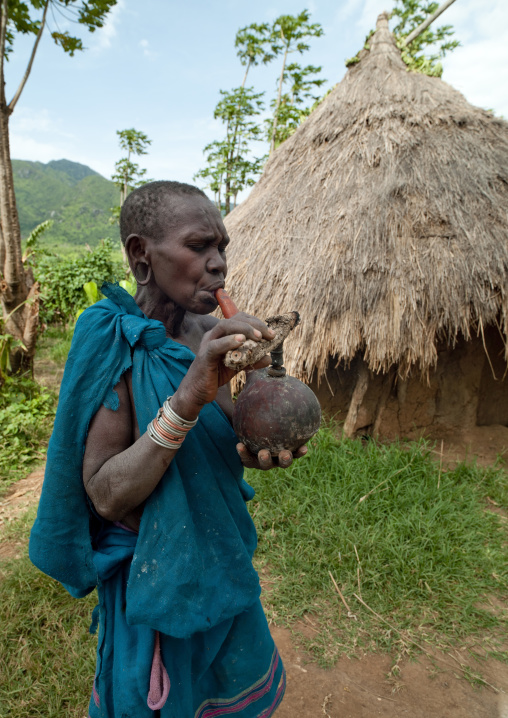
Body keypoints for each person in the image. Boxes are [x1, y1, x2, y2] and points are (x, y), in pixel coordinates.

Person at [29, 181, 307, 718]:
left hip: (221, 560)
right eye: (199, 246)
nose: (218, 263)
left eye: (221, 247)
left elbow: (220, 444)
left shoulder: (213, 334)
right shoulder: (111, 338)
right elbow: (107, 496)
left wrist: (260, 442)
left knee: (233, 690)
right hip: (155, 575)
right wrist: (188, 396)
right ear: (141, 255)